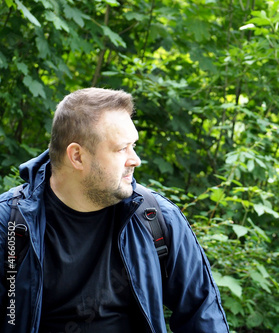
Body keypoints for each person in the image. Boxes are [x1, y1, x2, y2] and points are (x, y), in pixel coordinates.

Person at [0, 88, 230, 333]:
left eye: (133, 146)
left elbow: (203, 316)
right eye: (122, 149)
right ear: (77, 156)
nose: (135, 160)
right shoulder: (11, 225)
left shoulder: (156, 220)